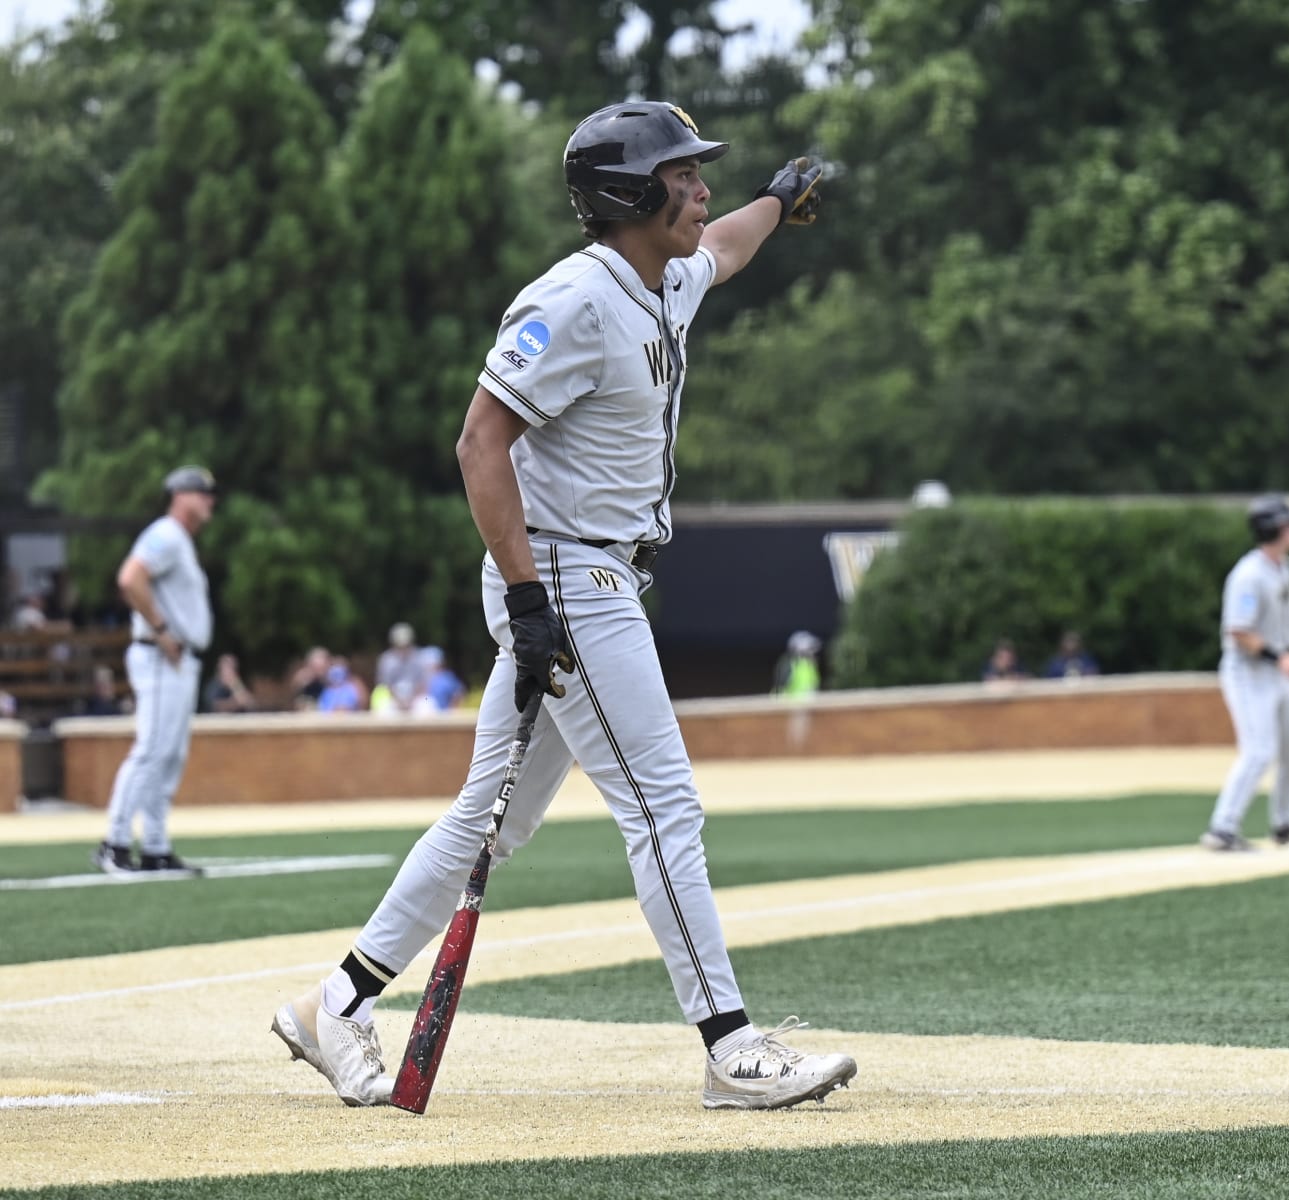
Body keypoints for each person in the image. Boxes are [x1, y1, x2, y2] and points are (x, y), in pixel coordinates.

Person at [271, 101, 854, 1110]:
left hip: (594, 575)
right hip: (568, 580)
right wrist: (530, 600)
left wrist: (777, 198)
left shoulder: (663, 276)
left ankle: (337, 1002)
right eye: (684, 173)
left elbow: (724, 246)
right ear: (629, 194)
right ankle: (730, 1045)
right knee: (665, 805)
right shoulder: (575, 299)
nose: (702, 187)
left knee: (484, 826)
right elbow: (479, 443)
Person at [91, 466, 216, 876]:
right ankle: (115, 843)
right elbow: (131, 578)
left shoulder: (179, 540)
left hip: (178, 660)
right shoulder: (165, 533)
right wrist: (161, 630)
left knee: (170, 756)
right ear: (180, 495)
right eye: (201, 492)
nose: (209, 500)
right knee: (151, 751)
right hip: (162, 657)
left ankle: (156, 848)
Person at [1202, 495, 1289, 851]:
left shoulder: (1281, 565)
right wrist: (1278, 657)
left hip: (1278, 671)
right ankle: (1223, 826)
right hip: (1249, 673)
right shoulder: (1249, 575)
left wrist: (1284, 659)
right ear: (1273, 528)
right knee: (1259, 750)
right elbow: (1238, 630)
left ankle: (1283, 822)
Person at [374, 622, 427, 712]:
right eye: (399, 645)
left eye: (406, 645)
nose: (403, 648)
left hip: (415, 699)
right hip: (393, 699)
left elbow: (422, 684)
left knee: (427, 706)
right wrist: (400, 702)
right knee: (383, 710)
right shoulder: (386, 660)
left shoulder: (419, 658)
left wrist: (410, 701)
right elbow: (386, 686)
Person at [771, 630, 822, 699]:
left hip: (807, 708)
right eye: (810, 649)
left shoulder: (811, 667)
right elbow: (778, 691)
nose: (812, 653)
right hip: (788, 707)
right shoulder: (788, 664)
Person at [418, 646, 466, 713]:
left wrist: (451, 712)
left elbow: (459, 695)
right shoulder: (423, 679)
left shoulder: (447, 678)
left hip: (444, 717)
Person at [289, 646, 332, 710]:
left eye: (322, 667)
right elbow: (291, 697)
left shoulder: (332, 679)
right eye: (317, 667)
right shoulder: (302, 679)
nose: (319, 670)